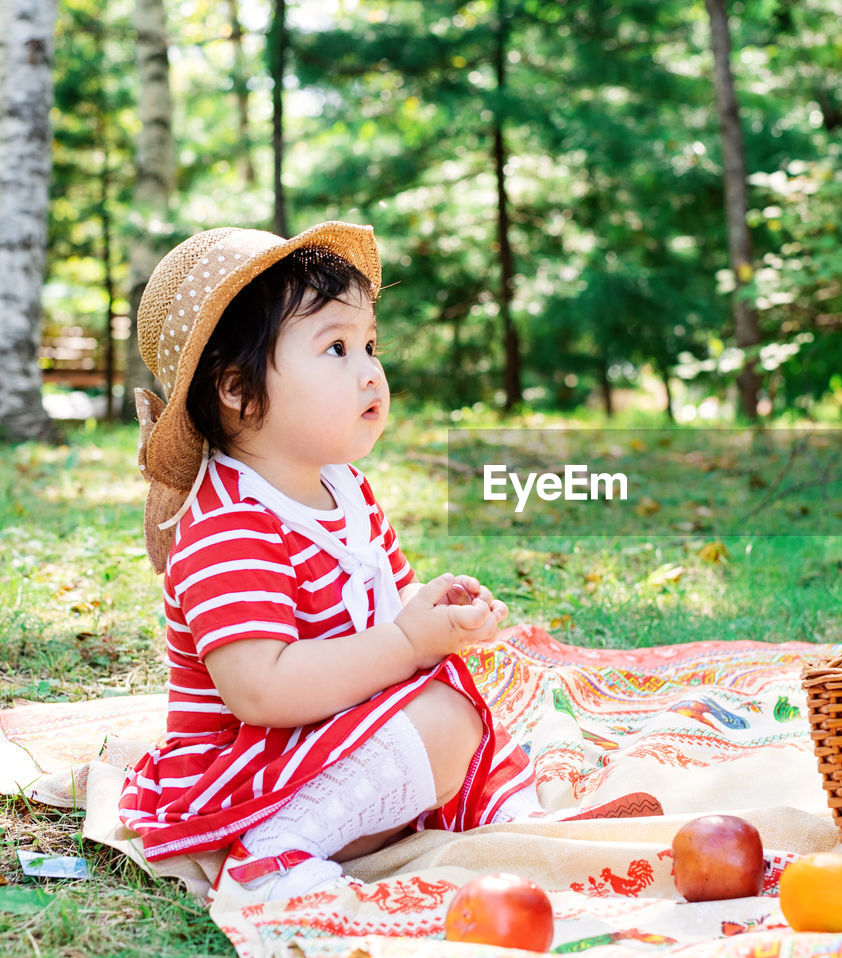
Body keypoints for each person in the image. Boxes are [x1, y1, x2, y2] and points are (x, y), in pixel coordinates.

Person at [118, 222, 533, 903]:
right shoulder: (230, 525)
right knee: (440, 719)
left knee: (468, 690)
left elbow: (393, 599)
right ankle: (273, 853)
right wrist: (404, 645)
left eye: (370, 344)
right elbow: (262, 690)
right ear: (238, 391)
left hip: (329, 735)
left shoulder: (346, 488)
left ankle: (466, 806)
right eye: (336, 348)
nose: (370, 369)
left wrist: (437, 617)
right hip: (245, 769)